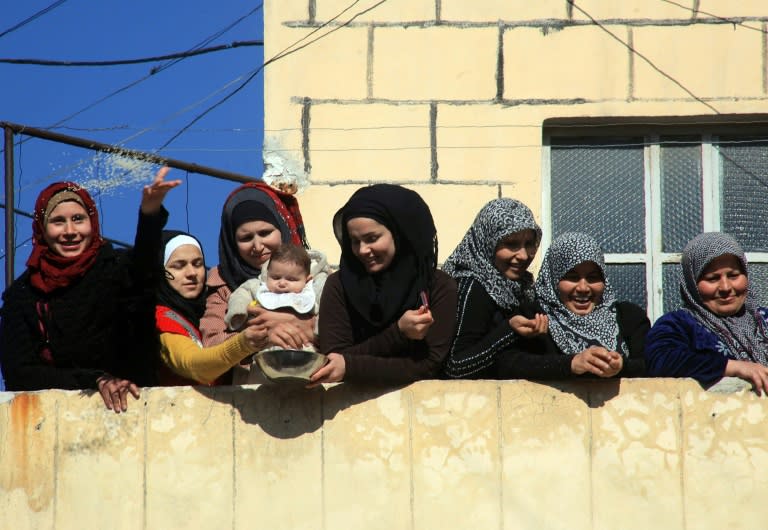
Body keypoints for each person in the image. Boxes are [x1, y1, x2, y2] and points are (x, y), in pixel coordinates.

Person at [0, 168, 179, 413]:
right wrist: (94, 380)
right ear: (42, 228)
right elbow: (19, 373)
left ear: (92, 223)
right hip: (58, 423)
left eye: (78, 219)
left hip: (138, 410)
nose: (70, 231)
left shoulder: (116, 269)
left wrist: (150, 214)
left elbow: (144, 273)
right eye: (57, 221)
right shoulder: (24, 295)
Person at [313, 184, 458, 385]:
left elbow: (429, 365)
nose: (363, 250)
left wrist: (351, 366)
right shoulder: (339, 285)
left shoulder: (437, 287)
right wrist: (399, 333)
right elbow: (334, 361)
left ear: (401, 233)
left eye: (372, 238)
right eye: (355, 241)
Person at [200, 181, 327, 382]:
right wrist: (256, 336)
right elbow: (211, 345)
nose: (257, 246)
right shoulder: (223, 286)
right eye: (246, 238)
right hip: (252, 396)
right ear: (232, 243)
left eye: (265, 233)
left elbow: (344, 332)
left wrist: (304, 325)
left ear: (282, 228)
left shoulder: (316, 278)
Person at [497, 232, 648, 379]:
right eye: (572, 277)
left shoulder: (629, 317)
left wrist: (621, 366)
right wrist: (571, 364)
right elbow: (506, 364)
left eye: (593, 277)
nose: (583, 288)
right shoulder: (532, 318)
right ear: (553, 279)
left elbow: (650, 365)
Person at [646, 232, 768, 394]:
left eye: (733, 275)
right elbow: (660, 360)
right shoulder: (679, 325)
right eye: (712, 278)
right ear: (692, 282)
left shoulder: (763, 319)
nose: (725, 287)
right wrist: (733, 367)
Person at [441, 198, 548, 378]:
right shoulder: (475, 286)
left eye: (529, 244)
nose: (523, 255)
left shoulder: (521, 287)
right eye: (511, 244)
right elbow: (456, 367)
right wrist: (510, 330)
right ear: (488, 242)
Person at [155, 230, 271, 386]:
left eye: (198, 264)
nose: (192, 273)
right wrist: (244, 343)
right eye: (178, 266)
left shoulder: (209, 313)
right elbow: (193, 365)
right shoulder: (158, 316)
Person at [225, 243, 319, 336]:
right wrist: (238, 311)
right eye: (276, 278)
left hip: (301, 345)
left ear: (307, 280)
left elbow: (327, 315)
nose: (282, 283)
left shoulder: (311, 293)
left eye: (291, 279)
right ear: (267, 274)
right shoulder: (259, 287)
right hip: (264, 343)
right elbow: (242, 293)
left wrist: (316, 328)